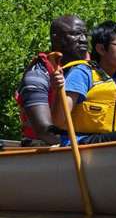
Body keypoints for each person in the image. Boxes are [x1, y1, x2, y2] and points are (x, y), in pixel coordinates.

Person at [15, 15, 89, 146]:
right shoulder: (38, 75)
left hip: (85, 141)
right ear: (56, 38)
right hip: (48, 148)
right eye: (75, 34)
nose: (83, 40)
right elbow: (45, 131)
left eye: (85, 34)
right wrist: (85, 142)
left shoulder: (92, 70)